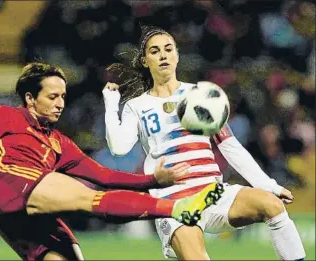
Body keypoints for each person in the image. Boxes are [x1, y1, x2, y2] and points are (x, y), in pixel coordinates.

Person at [0, 62, 224, 261]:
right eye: (52, 96)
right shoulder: (6, 116)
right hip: (9, 183)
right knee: (90, 199)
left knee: (70, 252)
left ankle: (173, 208)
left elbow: (104, 175)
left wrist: (151, 181)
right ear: (30, 98)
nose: (60, 102)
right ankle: (176, 209)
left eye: (63, 96)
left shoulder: (60, 143)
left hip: (26, 216)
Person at [102, 25, 306, 260]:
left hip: (214, 193)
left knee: (271, 205)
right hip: (173, 202)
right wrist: (111, 104)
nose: (163, 55)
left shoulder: (199, 95)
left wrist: (269, 185)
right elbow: (118, 148)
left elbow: (229, 145)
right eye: (155, 51)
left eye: (168, 49)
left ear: (177, 55)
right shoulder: (136, 106)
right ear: (146, 61)